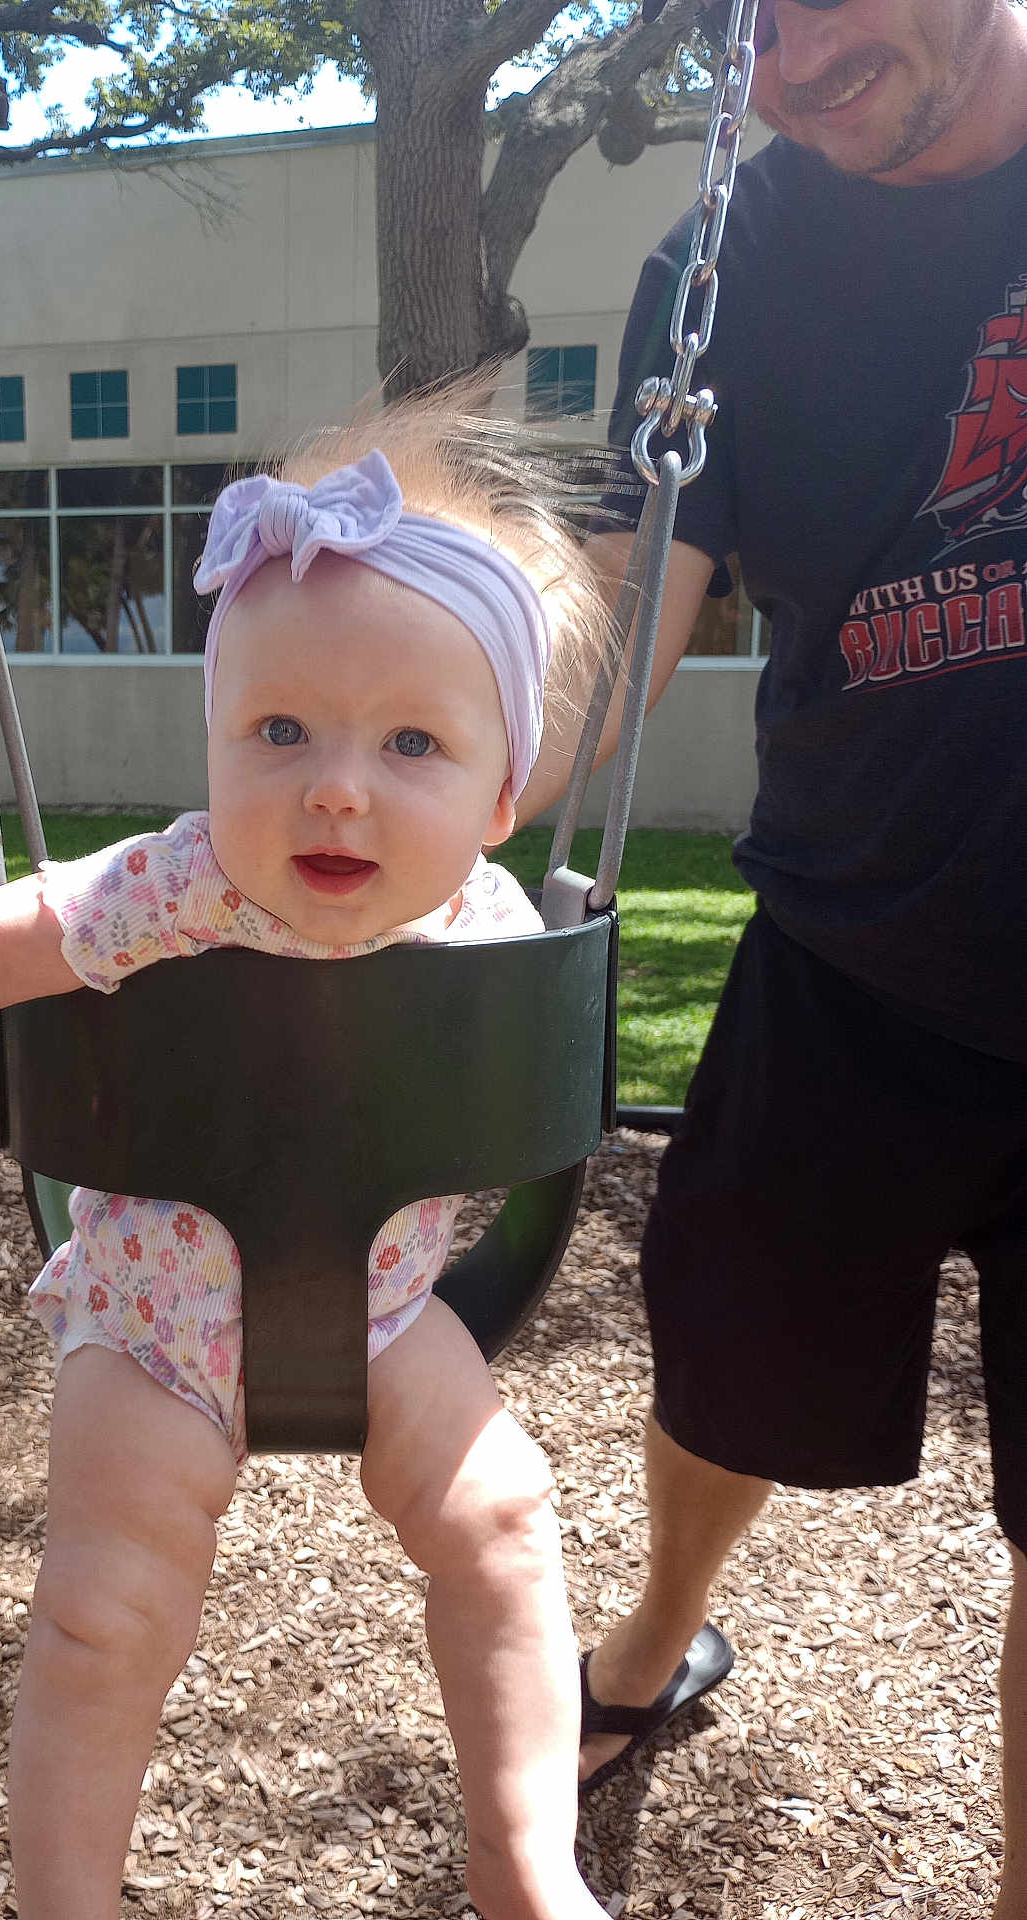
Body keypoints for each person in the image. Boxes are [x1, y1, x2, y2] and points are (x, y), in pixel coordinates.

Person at [0, 400, 615, 1920]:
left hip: (390, 1316)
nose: (337, 786)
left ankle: (522, 1854)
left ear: (500, 795)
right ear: (213, 740)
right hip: (151, 1327)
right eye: (281, 732)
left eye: (412, 744)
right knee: (102, 1617)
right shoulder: (171, 887)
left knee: (507, 1528)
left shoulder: (496, 929)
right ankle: (61, 1896)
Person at [521, 3, 1027, 1912]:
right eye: (746, 18)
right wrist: (432, 786)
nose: (785, 56)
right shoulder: (723, 261)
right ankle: (651, 1649)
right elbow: (652, 575)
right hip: (850, 949)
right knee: (723, 1369)